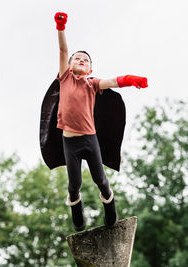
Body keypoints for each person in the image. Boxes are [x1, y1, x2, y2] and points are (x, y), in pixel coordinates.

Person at [54, 12, 148, 231]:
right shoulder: (65, 78)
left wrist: (130, 80)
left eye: (86, 60)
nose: (81, 60)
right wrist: (61, 27)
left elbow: (113, 81)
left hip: (89, 140)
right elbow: (63, 50)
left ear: (90, 70)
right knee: (74, 185)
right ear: (69, 66)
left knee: (100, 179)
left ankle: (109, 203)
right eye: (77, 58)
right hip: (70, 143)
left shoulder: (92, 83)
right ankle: (77, 210)